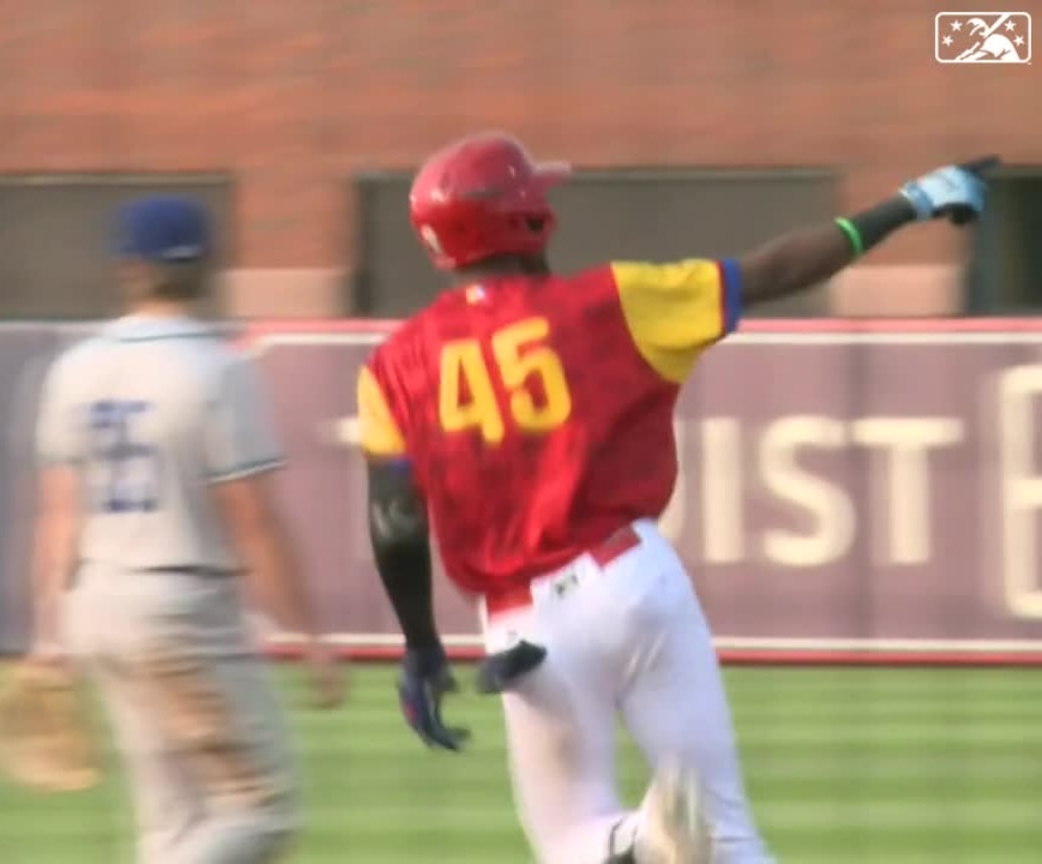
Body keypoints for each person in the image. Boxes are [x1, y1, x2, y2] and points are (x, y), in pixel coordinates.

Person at [355, 133, 994, 864]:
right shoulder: (613, 300)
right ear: (526, 217)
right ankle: (656, 838)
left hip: (527, 629)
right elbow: (776, 269)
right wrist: (907, 204)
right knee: (724, 833)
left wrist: (420, 644)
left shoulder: (393, 365)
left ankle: (637, 839)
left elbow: (395, 520)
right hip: (634, 578)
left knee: (572, 841)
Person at [25, 195, 347, 864]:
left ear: (127, 267)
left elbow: (58, 517)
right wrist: (311, 637)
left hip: (98, 609)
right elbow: (253, 520)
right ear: (207, 265)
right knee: (263, 810)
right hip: (182, 612)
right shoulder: (218, 369)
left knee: (172, 825)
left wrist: (48, 637)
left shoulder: (75, 367)